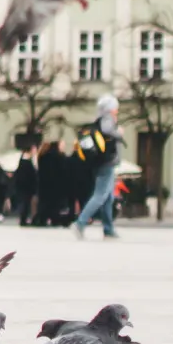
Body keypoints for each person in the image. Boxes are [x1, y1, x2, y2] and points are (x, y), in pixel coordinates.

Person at [75, 94, 124, 240]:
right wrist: (119, 133)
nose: (117, 110)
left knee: (108, 197)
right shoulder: (108, 118)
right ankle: (80, 223)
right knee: (100, 195)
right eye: (115, 107)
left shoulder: (100, 118)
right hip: (106, 162)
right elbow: (107, 130)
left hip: (103, 162)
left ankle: (108, 229)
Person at [14, 148, 39, 225]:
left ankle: (23, 219)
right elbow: (31, 174)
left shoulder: (23, 161)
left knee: (25, 202)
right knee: (25, 203)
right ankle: (23, 219)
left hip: (24, 186)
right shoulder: (27, 162)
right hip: (26, 186)